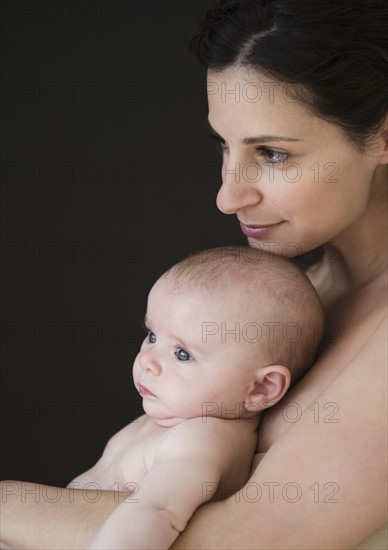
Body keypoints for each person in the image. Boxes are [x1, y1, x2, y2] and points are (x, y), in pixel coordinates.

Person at [0, 0, 386, 548]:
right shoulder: (279, 302)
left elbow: (250, 541)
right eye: (224, 146)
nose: (228, 196)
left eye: (273, 154)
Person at [73, 246, 323, 549]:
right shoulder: (173, 420)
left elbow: (156, 512)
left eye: (182, 353)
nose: (147, 360)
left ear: (261, 389)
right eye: (152, 335)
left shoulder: (202, 437)